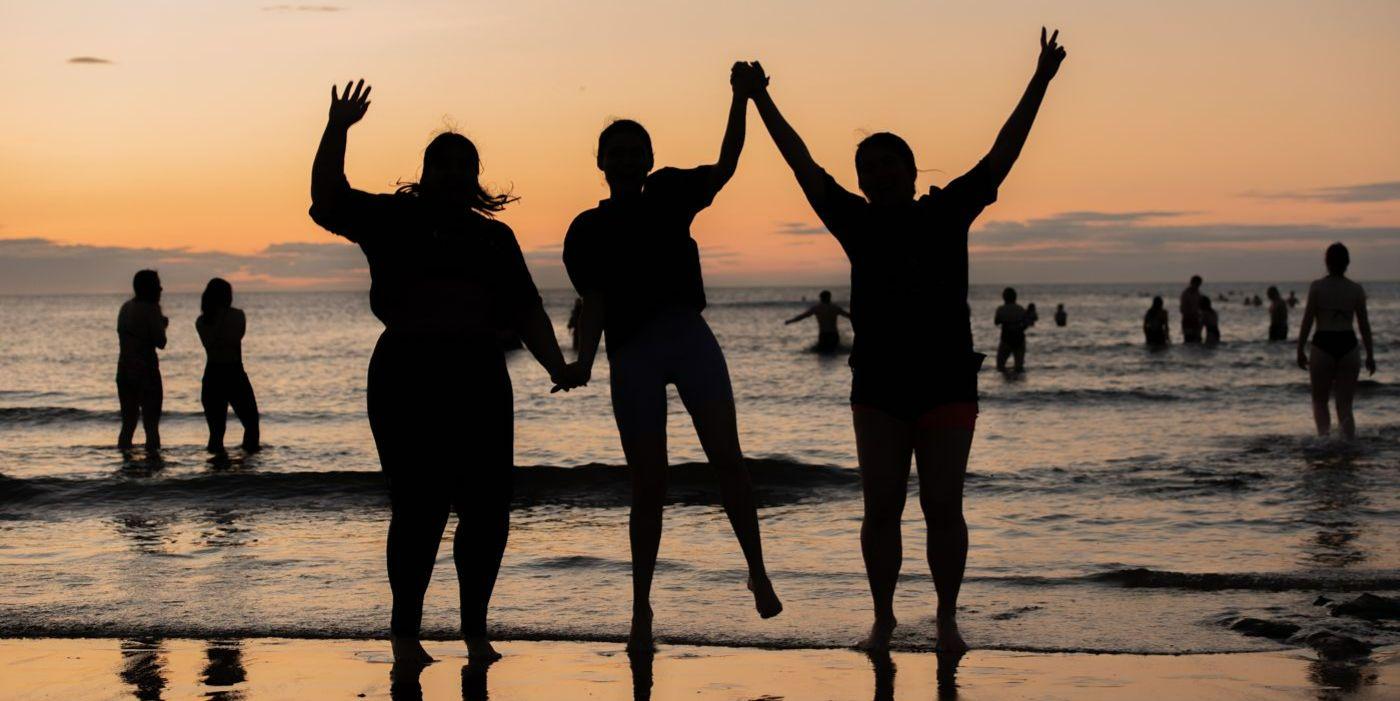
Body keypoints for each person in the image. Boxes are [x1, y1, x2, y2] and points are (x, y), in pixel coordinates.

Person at [746, 27, 1068, 652]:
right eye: (868, 168)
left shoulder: (947, 210)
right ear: (862, 180)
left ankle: (947, 616)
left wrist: (1041, 81)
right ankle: (885, 617)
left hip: (946, 376)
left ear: (911, 171)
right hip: (880, 383)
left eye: (889, 164)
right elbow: (801, 163)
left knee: (943, 506)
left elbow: (1004, 152)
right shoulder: (854, 221)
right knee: (882, 508)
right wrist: (761, 101)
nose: (879, 174)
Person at [308, 79, 576, 665]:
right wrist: (337, 128)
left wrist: (558, 364)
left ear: (476, 177)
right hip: (407, 372)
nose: (454, 173)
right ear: (425, 172)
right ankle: (406, 636)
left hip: (479, 375)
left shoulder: (493, 237)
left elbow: (528, 309)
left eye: (465, 165)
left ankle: (475, 631)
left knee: (487, 510)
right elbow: (327, 200)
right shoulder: (390, 218)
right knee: (420, 506)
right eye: (444, 163)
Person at [560, 65, 784, 653]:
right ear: (602, 164)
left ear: (650, 158)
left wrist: (740, 100)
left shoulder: (670, 191)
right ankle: (641, 607)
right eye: (619, 153)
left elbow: (727, 164)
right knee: (648, 484)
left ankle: (756, 569)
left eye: (638, 152)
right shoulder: (587, 229)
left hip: (687, 336)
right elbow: (596, 301)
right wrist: (583, 363)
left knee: (727, 459)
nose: (630, 161)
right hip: (631, 351)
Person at [1297, 243, 1376, 439]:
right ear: (1347, 263)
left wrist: (1300, 348)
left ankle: (1324, 440)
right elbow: (1364, 325)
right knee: (1345, 405)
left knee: (1320, 400)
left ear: (1326, 262)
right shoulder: (1356, 289)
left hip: (1323, 342)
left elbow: (1307, 320)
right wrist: (1370, 355)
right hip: (1348, 344)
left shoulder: (1317, 287)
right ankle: (1348, 445)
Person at [195, 278, 260, 453]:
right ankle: (248, 468)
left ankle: (217, 473)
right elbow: (236, 337)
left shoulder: (201, 321)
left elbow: (211, 343)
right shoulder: (238, 315)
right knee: (252, 424)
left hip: (213, 375)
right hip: (234, 373)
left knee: (216, 432)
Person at [116, 270, 168, 451]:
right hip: (146, 371)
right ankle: (153, 467)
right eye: (157, 285)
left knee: (128, 424)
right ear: (150, 288)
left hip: (124, 370)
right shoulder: (151, 309)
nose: (161, 288)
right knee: (151, 427)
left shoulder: (126, 307)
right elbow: (161, 342)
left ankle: (126, 466)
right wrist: (163, 324)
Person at [785, 290, 851, 353]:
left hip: (823, 335)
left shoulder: (817, 308)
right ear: (829, 297)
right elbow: (849, 316)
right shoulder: (835, 308)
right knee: (834, 353)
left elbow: (802, 316)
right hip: (833, 334)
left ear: (821, 298)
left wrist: (790, 321)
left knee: (823, 353)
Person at [993, 288, 1028, 373]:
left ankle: (1006, 383)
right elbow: (1026, 323)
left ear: (1004, 297)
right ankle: (1018, 383)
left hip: (1006, 338)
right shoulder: (1020, 309)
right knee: (1019, 366)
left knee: (1000, 365)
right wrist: (1018, 328)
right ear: (1015, 297)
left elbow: (996, 322)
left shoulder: (1001, 309)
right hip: (1019, 338)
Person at [1180, 275, 1204, 343]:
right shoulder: (1186, 293)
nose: (1198, 286)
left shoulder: (1198, 293)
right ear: (1192, 283)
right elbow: (1182, 309)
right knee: (1188, 340)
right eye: (1197, 284)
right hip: (1188, 319)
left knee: (1198, 340)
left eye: (1199, 285)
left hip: (1196, 319)